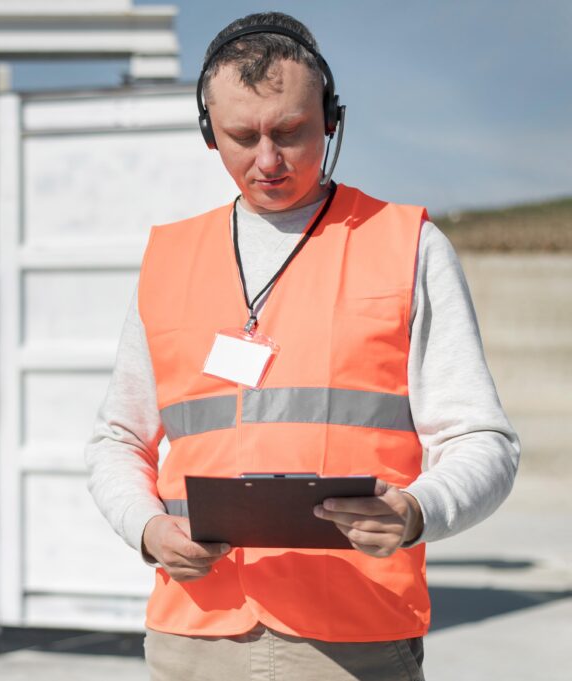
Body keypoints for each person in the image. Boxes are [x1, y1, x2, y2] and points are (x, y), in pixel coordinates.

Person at [84, 11, 520, 680]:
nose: (267, 161)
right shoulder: (170, 259)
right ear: (208, 131)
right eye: (240, 135)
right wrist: (146, 528)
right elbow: (117, 437)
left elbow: (484, 441)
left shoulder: (406, 247)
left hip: (354, 636)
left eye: (290, 132)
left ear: (331, 119)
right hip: (192, 636)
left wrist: (416, 511)